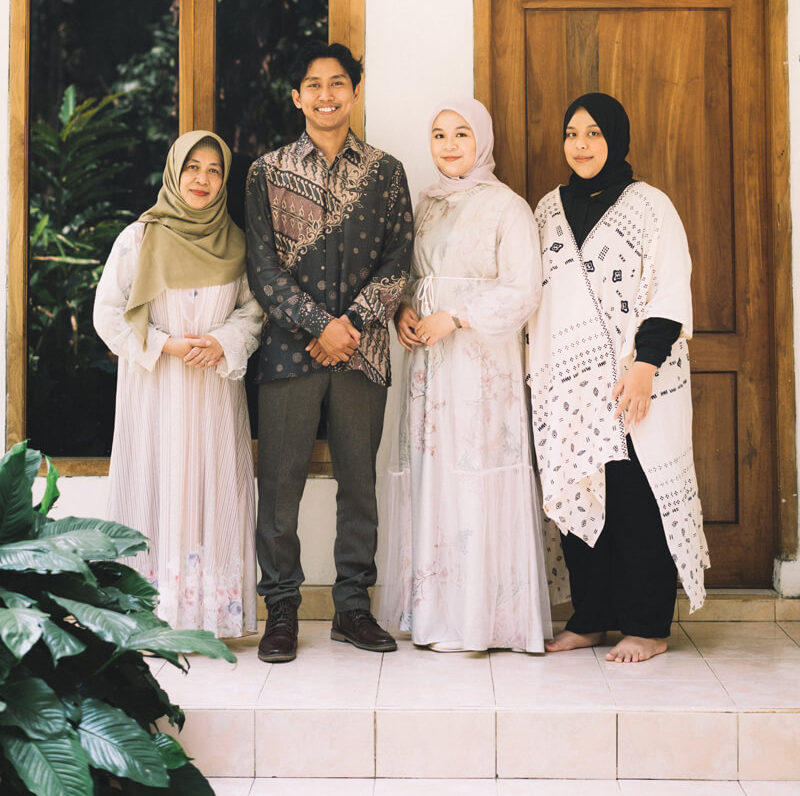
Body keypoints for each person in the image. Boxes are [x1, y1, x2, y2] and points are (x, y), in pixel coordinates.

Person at [245, 41, 413, 663]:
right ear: (297, 96)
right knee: (279, 485)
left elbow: (399, 262)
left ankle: (352, 609)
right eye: (313, 85)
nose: (325, 95)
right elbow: (262, 269)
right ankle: (282, 610)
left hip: (363, 355)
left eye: (337, 83)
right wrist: (320, 324)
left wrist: (353, 324)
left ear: (355, 92)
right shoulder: (265, 172)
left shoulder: (387, 172)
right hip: (288, 355)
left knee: (359, 484)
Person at [528, 93, 709, 664]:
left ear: (616, 139)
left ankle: (647, 627)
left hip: (637, 381)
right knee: (581, 494)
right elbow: (534, 297)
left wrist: (645, 365)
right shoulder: (547, 210)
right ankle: (591, 619)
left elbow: (670, 287)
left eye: (594, 134)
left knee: (637, 503)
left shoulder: (650, 206)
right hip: (571, 387)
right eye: (572, 133)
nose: (580, 145)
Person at [378, 99, 552, 652]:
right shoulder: (427, 205)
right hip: (429, 365)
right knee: (435, 475)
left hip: (479, 367)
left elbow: (523, 289)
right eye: (439, 135)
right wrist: (405, 311)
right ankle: (436, 615)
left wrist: (454, 317)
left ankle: (482, 619)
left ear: (482, 140)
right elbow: (412, 277)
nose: (449, 145)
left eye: (461, 134)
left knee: (474, 472)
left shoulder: (508, 207)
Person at [94, 130, 263, 637]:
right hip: (156, 396)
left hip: (214, 396)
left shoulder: (237, 243)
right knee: (156, 486)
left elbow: (254, 313)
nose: (202, 179)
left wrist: (222, 341)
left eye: (214, 170)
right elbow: (107, 314)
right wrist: (164, 344)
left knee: (214, 492)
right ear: (174, 172)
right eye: (193, 167)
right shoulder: (138, 239)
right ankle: (152, 616)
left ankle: (211, 619)